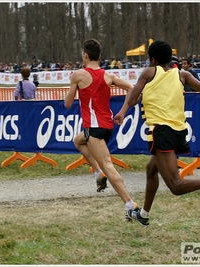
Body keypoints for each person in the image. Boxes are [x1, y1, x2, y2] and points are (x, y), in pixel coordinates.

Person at [125, 40, 200, 226]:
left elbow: (132, 100)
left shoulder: (149, 72)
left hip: (161, 132)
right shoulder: (182, 74)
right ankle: (144, 213)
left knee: (175, 186)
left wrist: (136, 92)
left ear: (152, 59)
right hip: (179, 131)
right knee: (151, 170)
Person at [64, 38, 138, 221]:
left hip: (94, 127)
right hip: (107, 126)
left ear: (85, 56)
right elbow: (131, 88)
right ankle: (98, 173)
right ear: (100, 56)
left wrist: (75, 87)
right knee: (78, 140)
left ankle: (130, 205)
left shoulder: (78, 75)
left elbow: (67, 104)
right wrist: (122, 112)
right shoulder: (108, 76)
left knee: (109, 165)